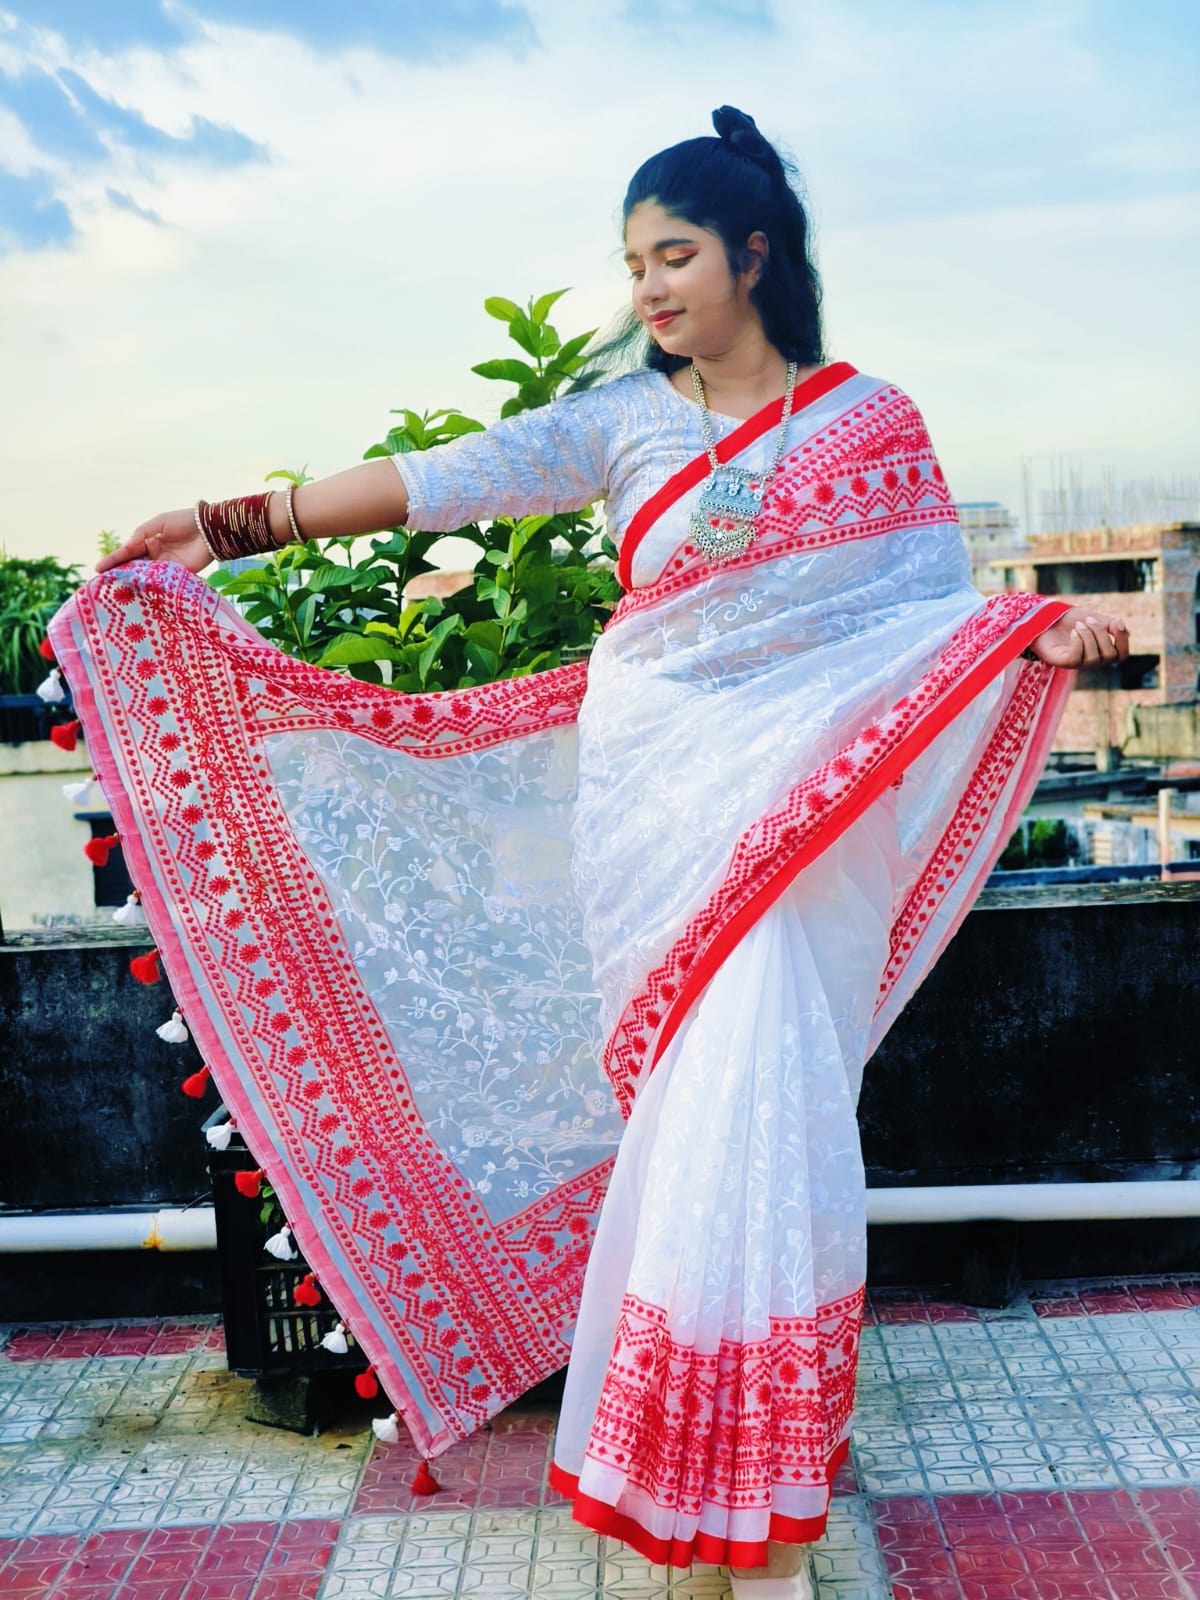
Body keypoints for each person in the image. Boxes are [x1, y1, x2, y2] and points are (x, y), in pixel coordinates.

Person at [60, 107, 1128, 1598]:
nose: (650, 288)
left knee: (765, 1100)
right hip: (660, 815)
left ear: (757, 255)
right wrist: (223, 526)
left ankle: (743, 1461)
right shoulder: (623, 423)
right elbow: (445, 475)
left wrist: (1034, 628)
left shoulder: (871, 421)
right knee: (701, 1102)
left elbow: (916, 625)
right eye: (632, 263)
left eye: (674, 253)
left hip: (796, 823)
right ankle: (682, 1453)